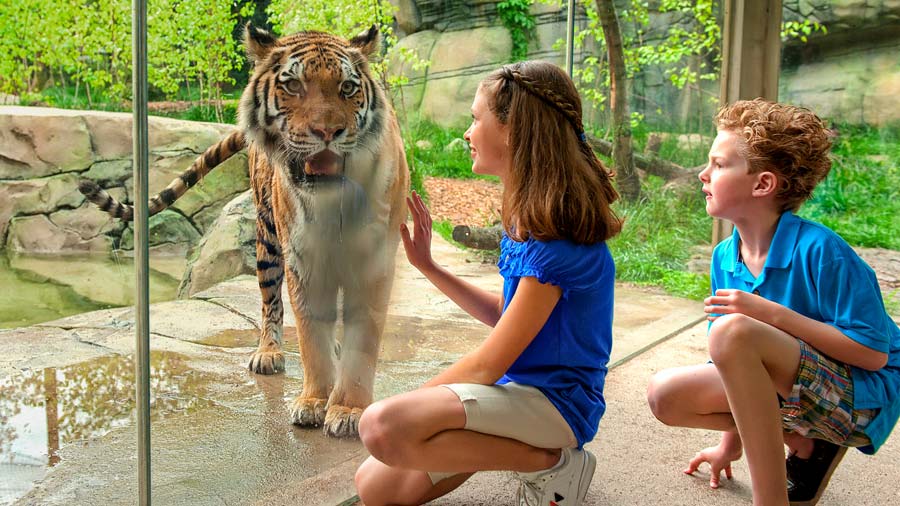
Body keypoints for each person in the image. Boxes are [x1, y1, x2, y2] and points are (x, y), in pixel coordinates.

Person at [353, 60, 622, 506]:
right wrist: (431, 267)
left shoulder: (556, 243)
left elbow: (486, 366)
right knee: (376, 489)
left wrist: (415, 409)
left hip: (557, 406)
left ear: (513, 131)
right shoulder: (527, 221)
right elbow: (505, 315)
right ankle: (527, 451)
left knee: (382, 427)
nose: (467, 132)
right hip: (522, 396)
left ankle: (552, 465)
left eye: (476, 119)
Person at [646, 99, 900, 506]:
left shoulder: (823, 251)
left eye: (719, 164)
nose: (703, 173)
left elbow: (872, 355)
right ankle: (806, 440)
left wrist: (773, 315)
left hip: (861, 399)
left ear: (762, 184)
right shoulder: (724, 258)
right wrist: (730, 445)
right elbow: (738, 366)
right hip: (797, 394)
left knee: (735, 330)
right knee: (665, 394)